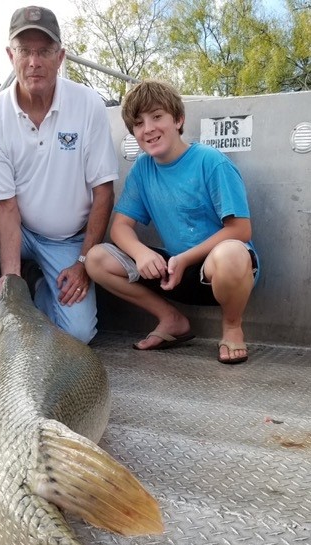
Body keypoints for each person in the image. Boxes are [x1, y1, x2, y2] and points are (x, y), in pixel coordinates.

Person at [0, 6, 118, 354]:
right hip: (13, 225)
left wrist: (82, 264)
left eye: (44, 51)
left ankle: (41, 287)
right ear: (10, 55)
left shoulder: (88, 104)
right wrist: (11, 280)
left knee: (78, 334)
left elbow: (103, 191)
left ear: (60, 56)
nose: (34, 61)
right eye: (25, 50)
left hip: (66, 240)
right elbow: (4, 206)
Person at [85, 80, 260, 364]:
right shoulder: (142, 169)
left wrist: (184, 259)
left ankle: (231, 327)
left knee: (230, 253)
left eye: (157, 117)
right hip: (174, 270)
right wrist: (142, 254)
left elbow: (240, 230)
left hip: (223, 271)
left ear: (178, 120)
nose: (148, 129)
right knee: (95, 258)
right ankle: (171, 319)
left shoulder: (211, 161)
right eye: (139, 124)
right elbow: (119, 226)